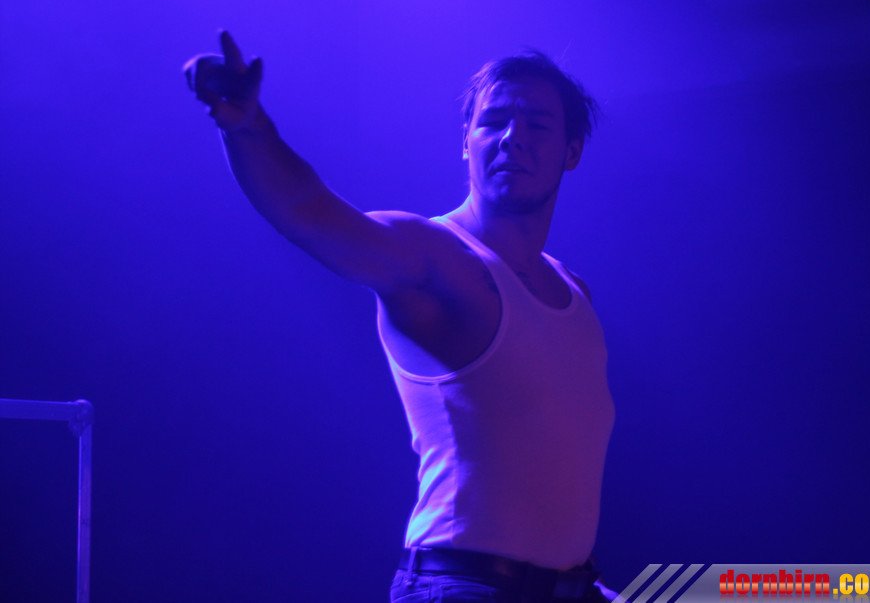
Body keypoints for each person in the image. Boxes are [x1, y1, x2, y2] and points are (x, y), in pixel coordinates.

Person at [185, 31, 617, 602]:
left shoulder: (573, 289)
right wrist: (247, 127)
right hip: (465, 589)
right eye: (494, 121)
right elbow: (306, 211)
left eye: (536, 124)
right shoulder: (432, 255)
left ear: (571, 151)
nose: (513, 137)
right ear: (465, 142)